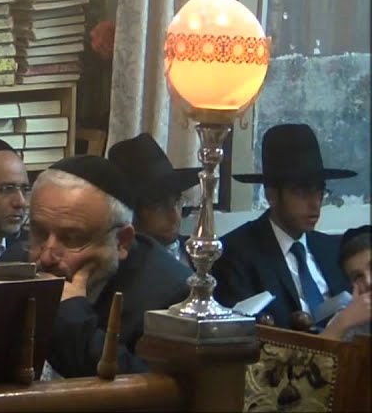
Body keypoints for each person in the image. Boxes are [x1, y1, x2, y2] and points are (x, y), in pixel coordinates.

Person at [28, 155, 190, 379]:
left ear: (121, 241)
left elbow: (146, 391)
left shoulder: (171, 298)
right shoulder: (18, 264)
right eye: (39, 233)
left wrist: (71, 314)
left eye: (71, 238)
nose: (46, 257)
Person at [212, 124, 354, 330]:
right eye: (302, 193)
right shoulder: (235, 254)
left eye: (320, 192)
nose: (315, 204)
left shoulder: (331, 248)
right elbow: (244, 331)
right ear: (271, 196)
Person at [106, 132, 200, 270]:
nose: (174, 217)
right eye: (158, 208)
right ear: (131, 213)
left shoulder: (202, 255)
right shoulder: (116, 268)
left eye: (176, 202)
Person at [321, 225, 371, 341]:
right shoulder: (350, 317)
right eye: (358, 276)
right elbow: (315, 352)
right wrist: (343, 322)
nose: (369, 281)